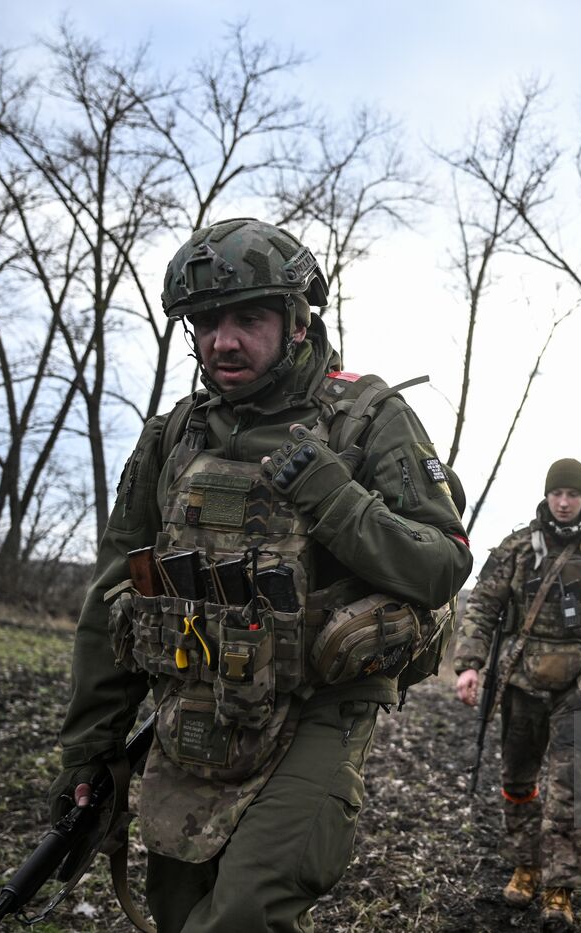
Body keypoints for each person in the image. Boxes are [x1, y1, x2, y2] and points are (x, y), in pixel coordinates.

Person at [47, 217, 472, 933]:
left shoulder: (368, 419)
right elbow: (116, 595)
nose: (225, 340)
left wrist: (337, 498)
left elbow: (441, 564)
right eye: (207, 322)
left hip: (318, 710)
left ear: (298, 321)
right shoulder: (173, 436)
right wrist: (91, 747)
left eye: (249, 317)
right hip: (195, 703)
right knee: (178, 909)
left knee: (241, 913)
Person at [452, 459, 581, 931]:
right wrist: (469, 665)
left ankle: (559, 887)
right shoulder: (519, 548)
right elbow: (481, 606)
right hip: (521, 682)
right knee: (518, 780)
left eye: (572, 494)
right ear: (547, 495)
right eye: (557, 493)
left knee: (571, 789)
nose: (564, 502)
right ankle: (526, 866)